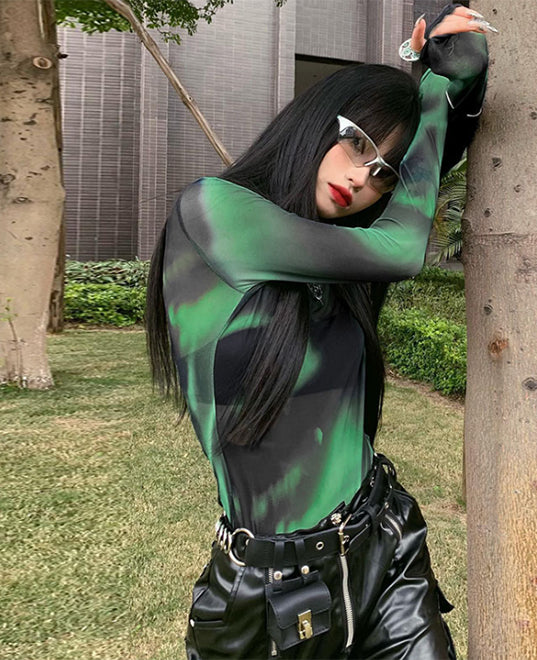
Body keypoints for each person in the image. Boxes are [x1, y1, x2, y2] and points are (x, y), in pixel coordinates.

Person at [146, 4, 490, 658]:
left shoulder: (344, 261)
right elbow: (402, 249)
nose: (362, 178)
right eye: (357, 142)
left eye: (384, 174)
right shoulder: (213, 213)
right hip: (272, 597)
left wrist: (457, 74)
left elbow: (436, 157)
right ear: (314, 120)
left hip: (385, 544)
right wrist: (429, 92)